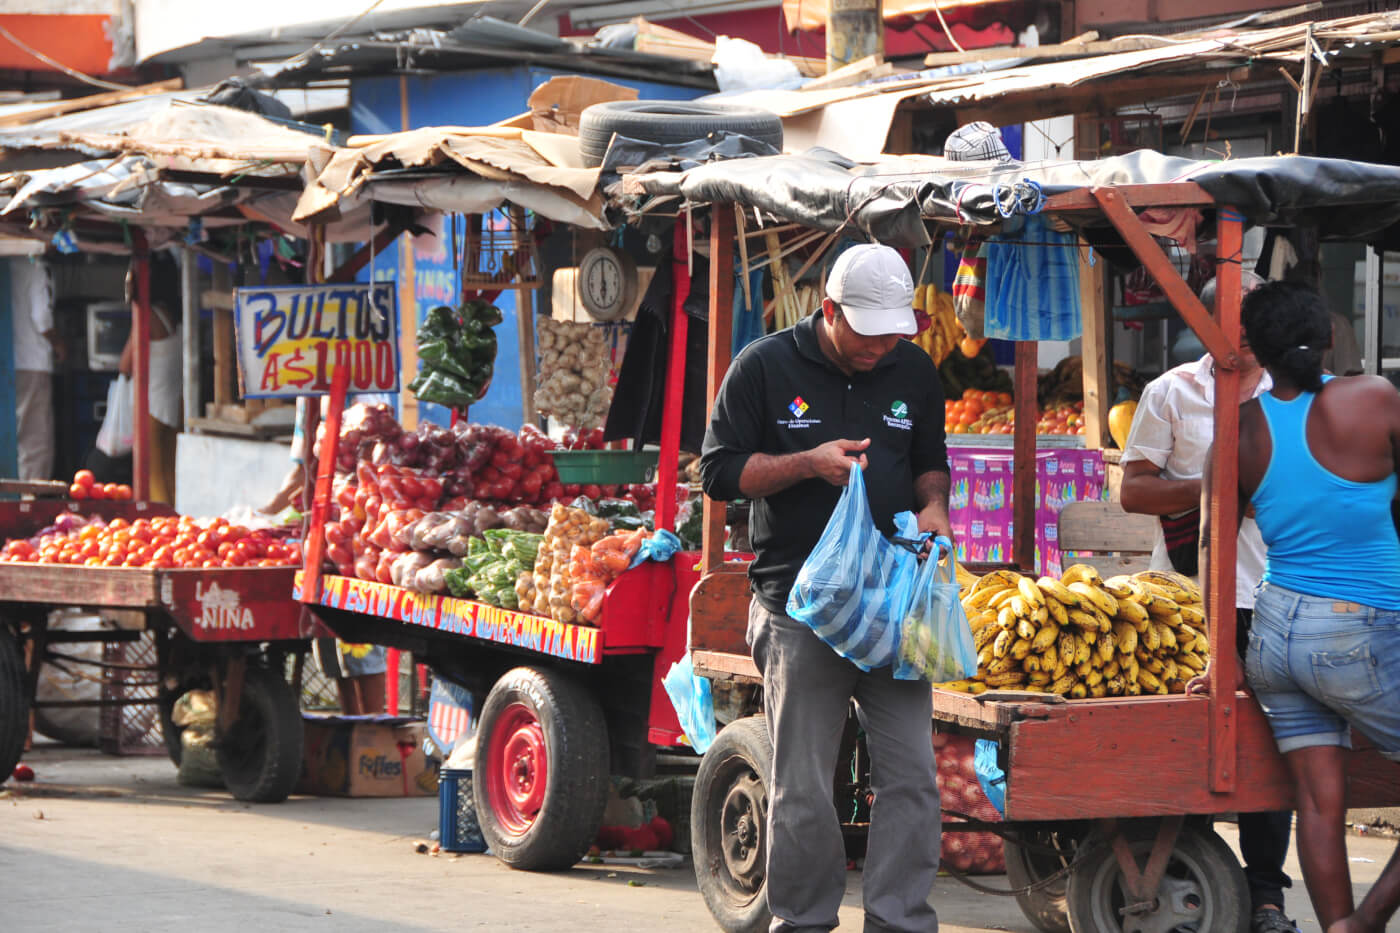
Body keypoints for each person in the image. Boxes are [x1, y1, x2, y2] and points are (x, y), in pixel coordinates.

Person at [701, 243, 952, 933]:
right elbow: (718, 472)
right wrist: (806, 464)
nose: (881, 348)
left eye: (892, 334)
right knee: (805, 783)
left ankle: (899, 920)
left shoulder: (913, 369)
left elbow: (930, 461)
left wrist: (935, 508)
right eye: (868, 334)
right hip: (798, 609)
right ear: (830, 310)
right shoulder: (763, 365)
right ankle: (804, 920)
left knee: (912, 777)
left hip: (892, 606)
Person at [1215, 281, 1400, 933]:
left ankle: (1336, 927)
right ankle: (1364, 922)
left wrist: (1222, 659)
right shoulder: (1375, 397)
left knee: (1319, 804)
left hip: (1273, 637)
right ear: (1328, 337)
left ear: (1255, 349)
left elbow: (1211, 543)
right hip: (1357, 631)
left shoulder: (1242, 426)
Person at [1121, 273, 1297, 933]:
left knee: (1267, 756)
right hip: (1190, 603)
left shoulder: (1297, 395)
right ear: (1205, 321)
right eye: (1232, 318)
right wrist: (1216, 487)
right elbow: (1134, 491)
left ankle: (1267, 897)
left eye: (1256, 320)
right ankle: (1182, 873)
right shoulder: (1172, 392)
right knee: (1187, 745)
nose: (1244, 334)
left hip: (1277, 599)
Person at [116, 253, 182, 504]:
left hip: (151, 406)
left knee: (152, 476)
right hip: (174, 403)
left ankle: (160, 522)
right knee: (170, 473)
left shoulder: (146, 315)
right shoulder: (175, 313)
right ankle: (176, 520)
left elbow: (125, 364)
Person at [10, 256, 62, 480]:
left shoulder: (9, 266)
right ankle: (31, 491)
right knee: (34, 433)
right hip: (31, 361)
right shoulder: (35, 270)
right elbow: (42, 319)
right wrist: (58, 343)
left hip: (10, 361)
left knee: (16, 430)